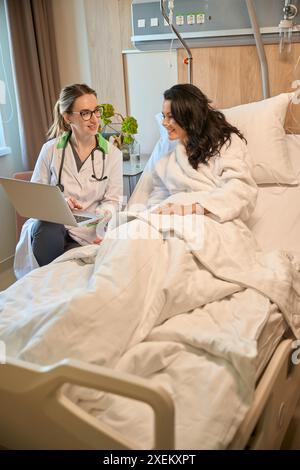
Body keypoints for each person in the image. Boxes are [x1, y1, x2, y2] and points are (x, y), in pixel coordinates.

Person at [14, 83, 123, 279]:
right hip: (53, 227)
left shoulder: (112, 154)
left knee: (77, 268)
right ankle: (46, 287)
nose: (94, 119)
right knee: (48, 229)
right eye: (85, 113)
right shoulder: (50, 150)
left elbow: (113, 201)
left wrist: (99, 218)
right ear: (67, 116)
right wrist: (61, 204)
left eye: (96, 111)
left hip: (90, 229)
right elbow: (36, 197)